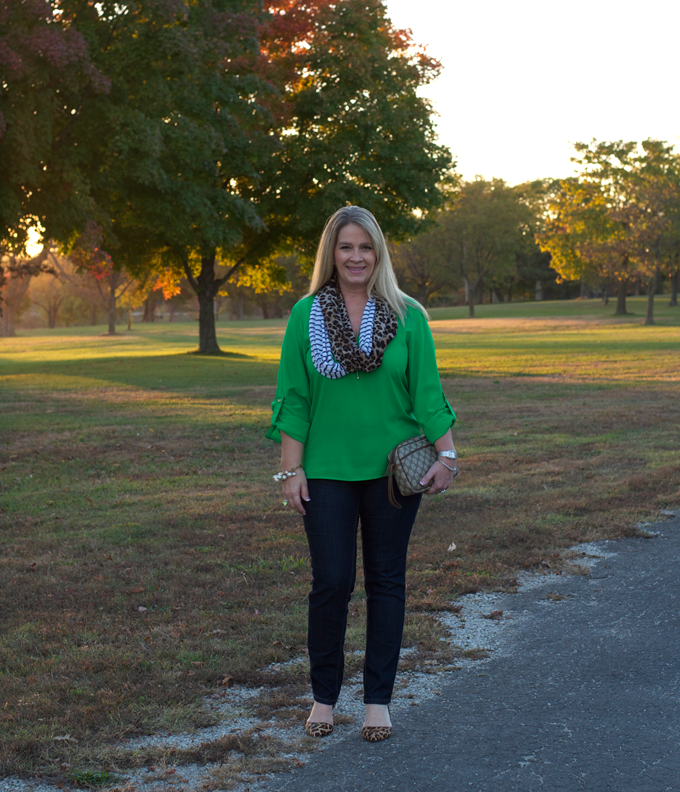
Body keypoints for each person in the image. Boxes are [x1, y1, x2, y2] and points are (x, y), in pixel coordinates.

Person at [266, 206, 457, 742]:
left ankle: (378, 701)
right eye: (346, 247)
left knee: (386, 581)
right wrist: (290, 470)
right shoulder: (304, 315)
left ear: (379, 253)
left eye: (366, 247)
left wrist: (447, 455)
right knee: (331, 582)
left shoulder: (408, 315)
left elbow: (427, 393)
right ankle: (323, 698)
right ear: (332, 253)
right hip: (326, 469)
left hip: (392, 472)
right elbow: (294, 397)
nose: (356, 257)